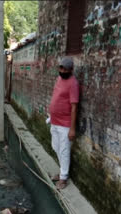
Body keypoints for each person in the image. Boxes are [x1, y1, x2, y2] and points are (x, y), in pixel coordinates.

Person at [48, 57, 79, 190]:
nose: (62, 70)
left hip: (65, 124)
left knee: (64, 150)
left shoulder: (73, 83)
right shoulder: (59, 79)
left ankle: (63, 177)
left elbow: (74, 107)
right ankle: (62, 172)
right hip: (54, 121)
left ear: (71, 70)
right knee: (55, 147)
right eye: (61, 68)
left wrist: (72, 129)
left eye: (65, 69)